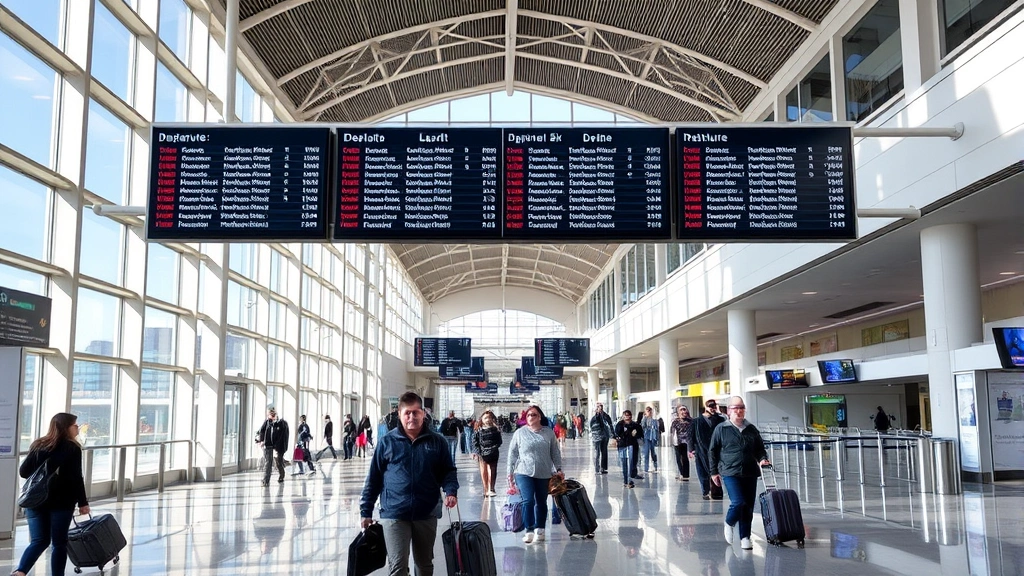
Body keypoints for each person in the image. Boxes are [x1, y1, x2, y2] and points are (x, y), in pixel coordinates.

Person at [360, 391, 458, 576]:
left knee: (424, 565)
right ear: (400, 414)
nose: (411, 417)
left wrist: (451, 490)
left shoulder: (437, 442)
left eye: (415, 412)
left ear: (423, 413)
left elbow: (448, 471)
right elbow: (374, 478)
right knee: (397, 567)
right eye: (407, 413)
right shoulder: (387, 442)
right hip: (394, 512)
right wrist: (366, 511)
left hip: (426, 512)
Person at [13, 412, 90, 576]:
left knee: (39, 541)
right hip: (62, 502)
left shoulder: (38, 444)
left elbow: (23, 471)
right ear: (65, 427)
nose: (77, 427)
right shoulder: (72, 448)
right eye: (74, 424)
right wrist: (83, 503)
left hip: (35, 500)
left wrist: (42, 472)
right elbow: (77, 478)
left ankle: (20, 572)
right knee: (59, 543)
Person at [709, 396, 770, 551]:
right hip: (730, 471)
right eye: (735, 408)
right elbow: (713, 451)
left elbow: (759, 449)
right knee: (738, 502)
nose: (739, 411)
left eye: (741, 407)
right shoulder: (721, 429)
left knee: (748, 506)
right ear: (729, 411)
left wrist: (763, 459)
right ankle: (729, 522)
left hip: (750, 472)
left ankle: (745, 537)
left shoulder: (751, 429)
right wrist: (713, 472)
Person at [506, 404, 563, 544]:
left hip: (544, 472)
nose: (530, 417)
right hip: (523, 471)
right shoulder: (520, 433)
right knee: (528, 500)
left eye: (534, 415)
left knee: (541, 502)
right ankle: (529, 529)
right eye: (528, 415)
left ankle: (540, 529)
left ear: (540, 417)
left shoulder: (548, 432)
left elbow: (555, 452)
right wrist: (510, 472)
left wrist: (559, 468)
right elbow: (512, 453)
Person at [690, 399, 725, 500]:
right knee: (702, 471)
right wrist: (691, 449)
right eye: (710, 407)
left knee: (715, 469)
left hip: (716, 449)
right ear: (706, 407)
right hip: (701, 449)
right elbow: (691, 435)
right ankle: (705, 491)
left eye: (714, 407)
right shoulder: (696, 421)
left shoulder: (720, 420)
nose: (713, 409)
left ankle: (716, 491)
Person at [471, 410, 503, 497]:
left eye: (489, 418)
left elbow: (499, 441)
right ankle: (485, 489)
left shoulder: (496, 430)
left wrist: (493, 447)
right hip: (482, 454)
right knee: (484, 471)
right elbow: (474, 442)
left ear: (492, 419)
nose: (488, 419)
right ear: (482, 419)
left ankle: (492, 488)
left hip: (493, 453)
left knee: (493, 471)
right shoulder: (478, 430)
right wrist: (476, 452)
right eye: (485, 418)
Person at [256, 407, 289, 486]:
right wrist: (261, 440)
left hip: (274, 446)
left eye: (272, 414)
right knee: (269, 463)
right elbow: (261, 431)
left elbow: (279, 435)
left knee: (272, 463)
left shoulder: (280, 423)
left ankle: (270, 478)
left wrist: (277, 446)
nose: (271, 415)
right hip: (268, 446)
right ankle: (266, 480)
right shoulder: (267, 423)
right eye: (270, 414)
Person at [614, 410, 643, 487]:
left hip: (632, 445)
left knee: (631, 463)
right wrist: (627, 433)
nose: (627, 417)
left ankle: (629, 479)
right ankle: (626, 480)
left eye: (629, 416)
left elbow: (640, 434)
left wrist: (636, 434)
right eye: (626, 416)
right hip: (622, 446)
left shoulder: (635, 425)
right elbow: (617, 434)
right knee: (624, 464)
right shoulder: (620, 425)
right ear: (623, 416)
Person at [588, 403, 614, 474]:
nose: (599, 409)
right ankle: (597, 468)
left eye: (600, 407)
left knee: (604, 452)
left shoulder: (606, 416)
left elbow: (610, 424)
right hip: (597, 437)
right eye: (598, 407)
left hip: (605, 436)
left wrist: (613, 434)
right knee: (597, 453)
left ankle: (603, 468)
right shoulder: (595, 417)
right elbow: (592, 426)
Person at [670, 405, 693, 481]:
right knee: (678, 458)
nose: (683, 411)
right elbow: (672, 432)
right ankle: (682, 473)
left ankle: (685, 475)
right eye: (681, 410)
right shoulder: (675, 421)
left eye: (684, 409)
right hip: (678, 442)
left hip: (687, 442)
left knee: (684, 458)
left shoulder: (691, 421)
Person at [640, 406, 663, 474]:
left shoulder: (655, 420)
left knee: (653, 453)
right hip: (646, 438)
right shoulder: (644, 419)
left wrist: (657, 438)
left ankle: (655, 466)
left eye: (650, 411)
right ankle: (646, 469)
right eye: (648, 411)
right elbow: (642, 427)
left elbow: (657, 430)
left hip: (653, 438)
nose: (649, 412)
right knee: (646, 453)